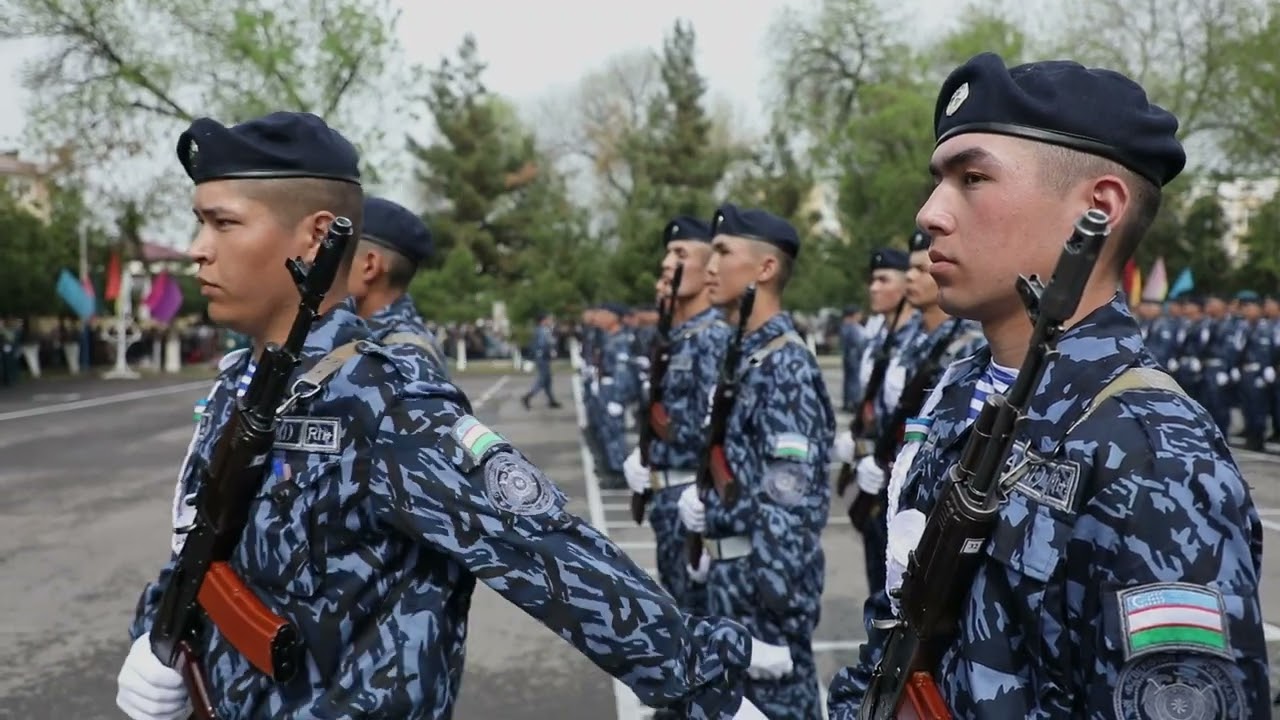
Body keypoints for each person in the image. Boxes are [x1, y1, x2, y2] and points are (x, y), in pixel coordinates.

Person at [114, 110, 789, 720]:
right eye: (200, 220)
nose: (198, 247)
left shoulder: (385, 402)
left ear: (316, 240)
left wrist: (707, 690)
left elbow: (546, 550)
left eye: (223, 222)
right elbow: (201, 538)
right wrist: (161, 631)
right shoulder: (249, 385)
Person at [827, 52, 1269, 719]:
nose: (929, 214)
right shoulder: (963, 397)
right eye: (938, 181)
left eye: (973, 177)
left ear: (1098, 208)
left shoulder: (1153, 457)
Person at [678, 203, 836, 719]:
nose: (710, 266)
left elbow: (789, 497)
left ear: (766, 269)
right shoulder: (742, 354)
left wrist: (773, 616)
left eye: (724, 252)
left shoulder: (785, 364)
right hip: (727, 583)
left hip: (760, 599)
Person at [622, 215, 730, 617]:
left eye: (681, 253)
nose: (668, 263)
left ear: (708, 271)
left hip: (692, 500)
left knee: (700, 622)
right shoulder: (678, 338)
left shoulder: (714, 337)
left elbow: (716, 431)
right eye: (667, 253)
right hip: (667, 502)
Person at [521, 311, 562, 409]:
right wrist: (552, 348)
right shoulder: (543, 331)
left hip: (541, 357)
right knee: (543, 379)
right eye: (548, 319)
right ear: (543, 320)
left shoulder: (540, 330)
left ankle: (551, 400)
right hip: (543, 358)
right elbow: (545, 344)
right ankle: (528, 396)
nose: (550, 321)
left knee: (547, 380)